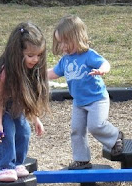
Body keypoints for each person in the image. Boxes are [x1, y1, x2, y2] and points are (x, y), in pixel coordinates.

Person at [0, 22, 50, 182]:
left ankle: (16, 163)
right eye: (30, 55)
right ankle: (3, 167)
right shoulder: (3, 72)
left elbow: (24, 95)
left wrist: (35, 119)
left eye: (39, 55)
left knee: (24, 130)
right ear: (18, 52)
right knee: (7, 129)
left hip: (11, 98)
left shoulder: (28, 68)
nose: (35, 59)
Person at [47, 15, 124, 170]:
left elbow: (105, 63)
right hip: (79, 102)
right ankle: (81, 159)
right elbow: (52, 73)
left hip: (97, 99)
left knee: (95, 126)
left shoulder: (88, 55)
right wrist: (34, 73)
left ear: (77, 37)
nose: (62, 46)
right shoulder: (65, 60)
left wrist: (102, 70)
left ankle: (115, 137)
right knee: (77, 130)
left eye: (65, 41)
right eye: (59, 41)